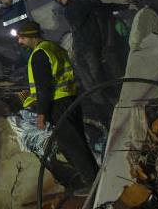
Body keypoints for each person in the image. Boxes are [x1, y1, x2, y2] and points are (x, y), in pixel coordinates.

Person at [14, 20, 99, 190]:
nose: (19, 42)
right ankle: (95, 177)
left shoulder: (38, 55)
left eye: (21, 38)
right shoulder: (53, 47)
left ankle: (93, 184)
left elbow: (45, 88)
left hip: (58, 104)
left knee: (72, 146)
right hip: (70, 99)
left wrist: (41, 113)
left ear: (30, 36)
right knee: (77, 142)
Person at [53, 0, 127, 123]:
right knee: (92, 77)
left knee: (96, 78)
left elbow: (79, 29)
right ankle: (107, 103)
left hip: (87, 47)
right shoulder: (77, 5)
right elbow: (104, 8)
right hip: (85, 48)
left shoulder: (74, 7)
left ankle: (112, 105)